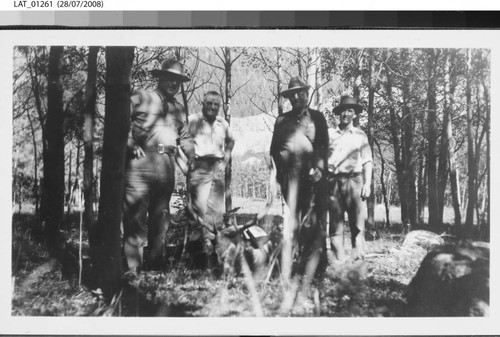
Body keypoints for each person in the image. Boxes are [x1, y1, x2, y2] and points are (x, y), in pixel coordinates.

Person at [123, 59, 194, 273]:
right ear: (160, 77)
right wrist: (129, 141)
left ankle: (155, 266)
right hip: (140, 163)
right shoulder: (141, 97)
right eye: (170, 78)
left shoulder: (179, 109)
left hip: (166, 166)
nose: (174, 83)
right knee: (135, 217)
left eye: (178, 80)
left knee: (161, 216)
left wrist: (191, 154)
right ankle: (132, 269)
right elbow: (119, 118)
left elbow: (186, 136)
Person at [270, 77, 329, 281]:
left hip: (312, 175)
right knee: (294, 220)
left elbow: (323, 147)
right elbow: (274, 151)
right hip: (289, 178)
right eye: (292, 95)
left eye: (300, 93)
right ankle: (296, 263)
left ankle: (317, 266)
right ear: (289, 98)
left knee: (312, 220)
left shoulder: (317, 118)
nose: (296, 97)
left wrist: (320, 169)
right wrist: (277, 178)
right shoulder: (281, 120)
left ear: (306, 95)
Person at [186, 91, 235, 259]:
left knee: (217, 213)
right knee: (199, 211)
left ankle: (214, 255)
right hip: (199, 166)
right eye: (209, 103)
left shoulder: (223, 123)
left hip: (218, 167)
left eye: (216, 104)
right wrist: (186, 164)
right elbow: (182, 141)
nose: (213, 107)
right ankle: (196, 256)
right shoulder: (193, 120)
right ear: (203, 102)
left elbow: (231, 140)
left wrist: (227, 157)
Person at [327, 95, 373, 263]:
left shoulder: (360, 135)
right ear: (339, 114)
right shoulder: (330, 134)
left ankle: (358, 263)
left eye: (350, 110)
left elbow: (368, 160)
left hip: (355, 181)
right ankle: (337, 263)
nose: (346, 114)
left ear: (354, 114)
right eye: (343, 111)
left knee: (358, 224)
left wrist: (367, 183)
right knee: (335, 225)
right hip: (333, 182)